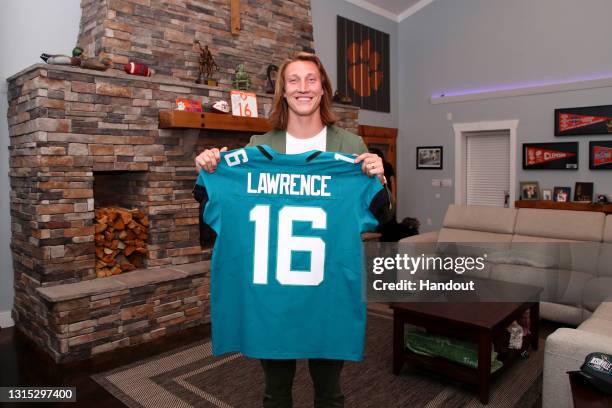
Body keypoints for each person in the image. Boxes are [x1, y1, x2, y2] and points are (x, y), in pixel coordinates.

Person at [194, 52, 390, 408]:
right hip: (273, 297)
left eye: (311, 79)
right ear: (283, 92)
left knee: (330, 393)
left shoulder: (351, 147)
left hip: (329, 292)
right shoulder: (257, 149)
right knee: (276, 393)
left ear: (323, 89)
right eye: (294, 81)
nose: (303, 88)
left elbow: (382, 214)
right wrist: (211, 168)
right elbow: (215, 202)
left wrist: (381, 177)